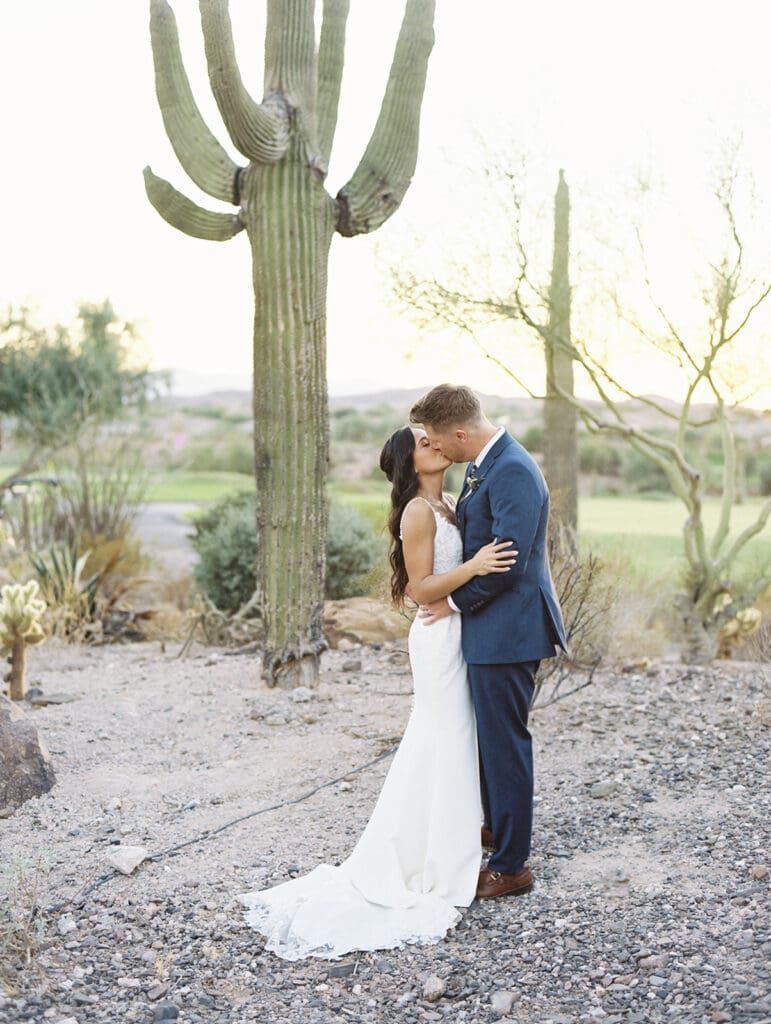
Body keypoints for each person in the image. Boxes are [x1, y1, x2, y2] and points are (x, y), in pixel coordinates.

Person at [237, 425, 515, 960]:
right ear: (410, 461)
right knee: (442, 735)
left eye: (434, 437)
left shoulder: (452, 501)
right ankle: (429, 857)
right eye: (422, 441)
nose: (434, 442)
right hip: (438, 638)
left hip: (458, 631)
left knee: (455, 739)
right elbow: (419, 588)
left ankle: (445, 842)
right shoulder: (416, 511)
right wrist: (476, 567)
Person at [408, 384, 566, 900]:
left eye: (434, 439)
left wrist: (449, 603)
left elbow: (509, 565)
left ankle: (511, 866)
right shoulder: (485, 465)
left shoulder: (513, 470)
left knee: (505, 745)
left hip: (511, 629)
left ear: (458, 433)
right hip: (491, 627)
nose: (435, 449)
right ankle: (499, 827)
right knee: (489, 742)